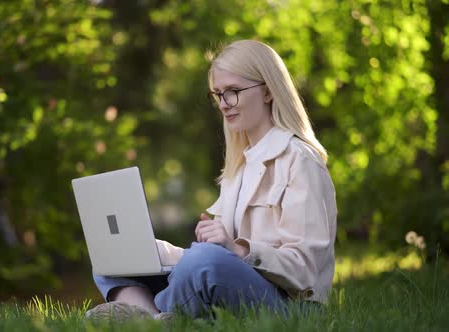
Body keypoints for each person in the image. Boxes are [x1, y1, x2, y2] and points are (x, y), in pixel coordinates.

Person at [84, 39, 337, 321]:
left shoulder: (300, 160)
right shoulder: (240, 166)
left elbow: (306, 268)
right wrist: (160, 252)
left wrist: (236, 247)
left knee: (204, 262)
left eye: (234, 92)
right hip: (232, 281)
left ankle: (147, 317)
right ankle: (156, 320)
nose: (224, 104)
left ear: (267, 91)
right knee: (114, 257)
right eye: (218, 94)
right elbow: (218, 258)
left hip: (291, 306)